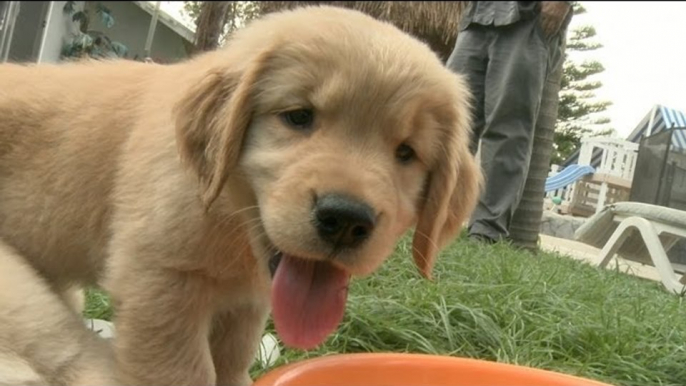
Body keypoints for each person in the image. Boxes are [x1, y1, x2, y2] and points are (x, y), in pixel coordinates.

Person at [446, 1, 573, 244]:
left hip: (528, 16)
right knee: (452, 122)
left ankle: (486, 232)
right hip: (477, 15)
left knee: (508, 128)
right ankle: (436, 216)